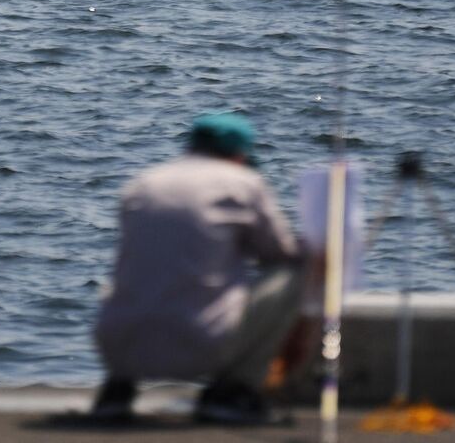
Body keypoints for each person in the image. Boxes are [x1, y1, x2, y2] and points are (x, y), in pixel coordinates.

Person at [91, 111, 305, 426]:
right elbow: (281, 253)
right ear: (239, 154)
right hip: (201, 347)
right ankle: (232, 393)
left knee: (132, 276)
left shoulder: (143, 183)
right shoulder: (244, 183)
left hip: (121, 346)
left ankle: (117, 390)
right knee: (292, 276)